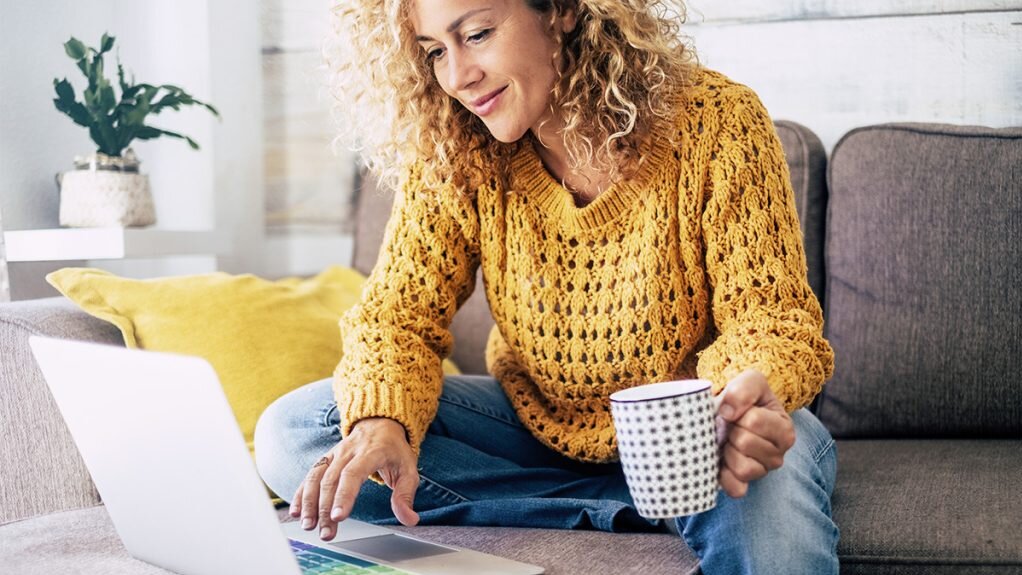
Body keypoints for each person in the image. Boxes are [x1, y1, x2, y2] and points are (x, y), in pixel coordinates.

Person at [254, 0, 840, 572]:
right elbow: (396, 317)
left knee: (765, 482)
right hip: (535, 429)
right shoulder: (457, 148)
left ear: (560, 10)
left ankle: (655, 498)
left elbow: (772, 322)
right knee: (298, 431)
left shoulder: (717, 122)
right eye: (435, 50)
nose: (458, 76)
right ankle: (631, 509)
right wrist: (381, 422)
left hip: (694, 433)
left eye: (478, 34)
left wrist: (732, 408)